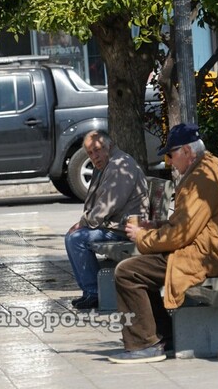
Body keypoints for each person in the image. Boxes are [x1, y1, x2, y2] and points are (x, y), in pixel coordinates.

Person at [108, 123, 218, 364]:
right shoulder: (210, 167)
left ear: (186, 151)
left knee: (128, 272)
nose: (169, 162)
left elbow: (182, 234)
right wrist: (157, 226)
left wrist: (142, 238)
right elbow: (190, 223)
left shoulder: (199, 179)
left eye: (171, 155)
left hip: (210, 256)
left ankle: (146, 343)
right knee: (140, 267)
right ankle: (166, 337)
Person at [65, 130, 149, 310]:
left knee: (76, 239)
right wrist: (84, 222)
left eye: (98, 150)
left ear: (109, 146)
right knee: (73, 236)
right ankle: (90, 292)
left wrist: (83, 222)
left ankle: (94, 293)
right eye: (90, 153)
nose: (94, 156)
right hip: (116, 225)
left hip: (125, 229)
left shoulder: (119, 165)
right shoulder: (107, 164)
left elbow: (108, 205)